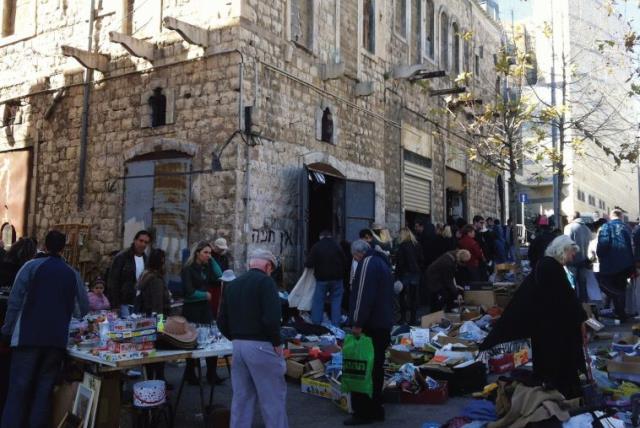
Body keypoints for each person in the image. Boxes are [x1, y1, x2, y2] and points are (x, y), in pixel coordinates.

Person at [1, 230, 89, 427]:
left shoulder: (30, 267)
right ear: (63, 248)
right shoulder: (72, 273)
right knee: (43, 393)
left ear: (45, 246)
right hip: (55, 341)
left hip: (27, 338)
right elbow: (83, 308)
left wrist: (6, 332)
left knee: (18, 392)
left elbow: (14, 302)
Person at [481, 236, 587, 399]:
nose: (573, 257)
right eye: (572, 253)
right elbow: (566, 299)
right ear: (563, 250)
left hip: (545, 324)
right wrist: (579, 319)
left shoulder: (547, 264)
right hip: (549, 327)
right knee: (555, 362)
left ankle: (555, 388)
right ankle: (557, 392)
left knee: (549, 362)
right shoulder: (551, 267)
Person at [218, 249, 288, 428]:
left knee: (242, 399)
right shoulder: (266, 282)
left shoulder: (232, 284)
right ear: (268, 266)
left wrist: (234, 338)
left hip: (238, 346)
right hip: (262, 345)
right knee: (272, 399)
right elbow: (272, 319)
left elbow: (221, 320)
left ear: (250, 264)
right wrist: (277, 342)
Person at [345, 239, 394, 426]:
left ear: (358, 253)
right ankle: (376, 408)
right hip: (383, 323)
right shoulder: (383, 262)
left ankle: (363, 411)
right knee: (377, 367)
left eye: (354, 257)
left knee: (363, 368)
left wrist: (357, 323)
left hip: (371, 325)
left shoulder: (367, 264)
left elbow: (362, 296)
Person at [181, 241, 222, 384]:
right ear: (197, 253)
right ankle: (190, 373)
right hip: (192, 309)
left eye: (210, 253)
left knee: (210, 339)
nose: (208, 255)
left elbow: (219, 274)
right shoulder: (188, 269)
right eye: (205, 252)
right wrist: (204, 295)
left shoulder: (207, 267)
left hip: (205, 309)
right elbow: (188, 291)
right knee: (192, 342)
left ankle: (212, 373)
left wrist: (212, 259)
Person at [137, 249, 172, 383]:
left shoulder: (145, 275)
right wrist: (160, 326)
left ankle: (151, 379)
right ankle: (158, 380)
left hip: (146, 317)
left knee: (150, 349)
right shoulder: (155, 279)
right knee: (157, 350)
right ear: (161, 261)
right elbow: (157, 304)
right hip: (156, 318)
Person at [597, 209, 634, 322]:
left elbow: (602, 245)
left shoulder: (606, 227)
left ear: (610, 216)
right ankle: (621, 313)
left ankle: (617, 311)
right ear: (621, 216)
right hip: (625, 265)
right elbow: (632, 246)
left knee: (607, 286)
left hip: (610, 264)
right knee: (621, 287)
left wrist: (600, 256)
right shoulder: (627, 228)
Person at [306, 230, 346, 327]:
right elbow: (345, 261)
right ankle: (336, 326)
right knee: (336, 302)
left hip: (322, 279)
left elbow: (309, 264)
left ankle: (316, 324)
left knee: (318, 301)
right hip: (337, 279)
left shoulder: (316, 246)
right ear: (330, 236)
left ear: (321, 237)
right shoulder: (337, 246)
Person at [107, 230, 150, 318]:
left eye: (146, 242)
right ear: (135, 240)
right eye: (141, 241)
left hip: (140, 303)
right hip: (124, 302)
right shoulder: (122, 257)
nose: (143, 244)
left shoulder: (146, 259)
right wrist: (115, 305)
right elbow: (113, 281)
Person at [395, 227, 423, 325]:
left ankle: (403, 318)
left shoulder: (402, 246)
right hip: (415, 273)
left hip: (405, 274)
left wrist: (397, 275)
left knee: (402, 296)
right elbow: (421, 259)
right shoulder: (417, 244)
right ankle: (413, 319)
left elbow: (400, 262)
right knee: (413, 297)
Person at [564, 211, 593, 302]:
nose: (566, 218)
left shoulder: (569, 227)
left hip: (572, 261)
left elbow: (566, 244)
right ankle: (585, 307)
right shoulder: (587, 229)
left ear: (573, 217)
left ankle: (573, 307)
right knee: (583, 286)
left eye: (568, 216)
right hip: (584, 261)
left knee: (571, 286)